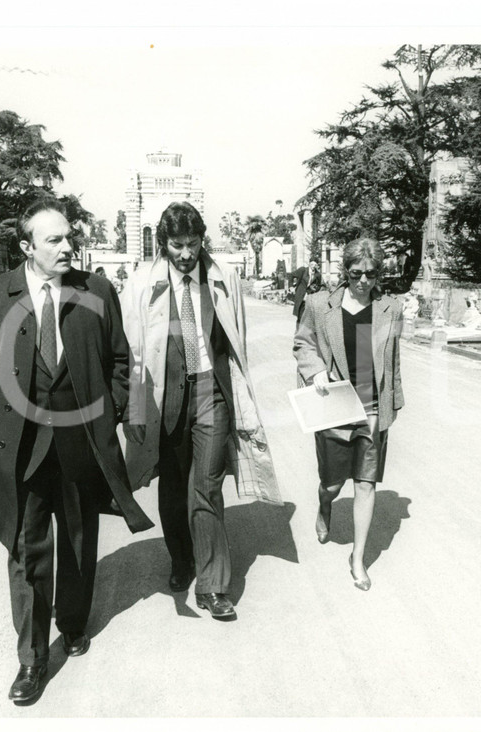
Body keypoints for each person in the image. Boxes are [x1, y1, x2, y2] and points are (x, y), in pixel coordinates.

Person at [0, 197, 154, 703]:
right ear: (27, 247)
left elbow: (121, 360)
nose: (68, 246)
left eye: (69, 236)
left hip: (79, 441)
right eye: (55, 239)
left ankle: (72, 623)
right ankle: (31, 658)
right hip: (20, 447)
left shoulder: (97, 290)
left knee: (76, 538)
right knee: (25, 550)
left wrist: (112, 410)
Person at [120, 201, 280, 621]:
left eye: (193, 243)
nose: (187, 253)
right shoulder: (141, 284)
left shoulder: (223, 277)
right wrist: (133, 409)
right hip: (165, 396)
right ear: (163, 243)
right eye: (177, 245)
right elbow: (131, 353)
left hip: (211, 393)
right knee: (173, 486)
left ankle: (213, 586)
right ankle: (181, 558)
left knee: (206, 486)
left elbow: (235, 340)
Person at [293, 238, 404, 591]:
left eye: (371, 274)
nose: (363, 281)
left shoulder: (390, 308)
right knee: (332, 483)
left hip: (372, 405)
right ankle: (325, 504)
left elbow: (392, 359)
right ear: (345, 271)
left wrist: (394, 401)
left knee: (365, 483)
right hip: (335, 406)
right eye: (356, 274)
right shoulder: (319, 304)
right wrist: (315, 370)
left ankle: (358, 558)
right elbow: (302, 342)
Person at [292, 259, 322, 323]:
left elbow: (319, 285)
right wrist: (291, 286)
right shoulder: (303, 270)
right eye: (312, 264)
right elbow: (291, 275)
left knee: (308, 316)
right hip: (300, 295)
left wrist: (315, 288)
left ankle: (304, 327)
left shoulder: (318, 274)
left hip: (310, 296)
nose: (313, 266)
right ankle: (299, 327)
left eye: (315, 265)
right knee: (300, 315)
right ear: (309, 264)